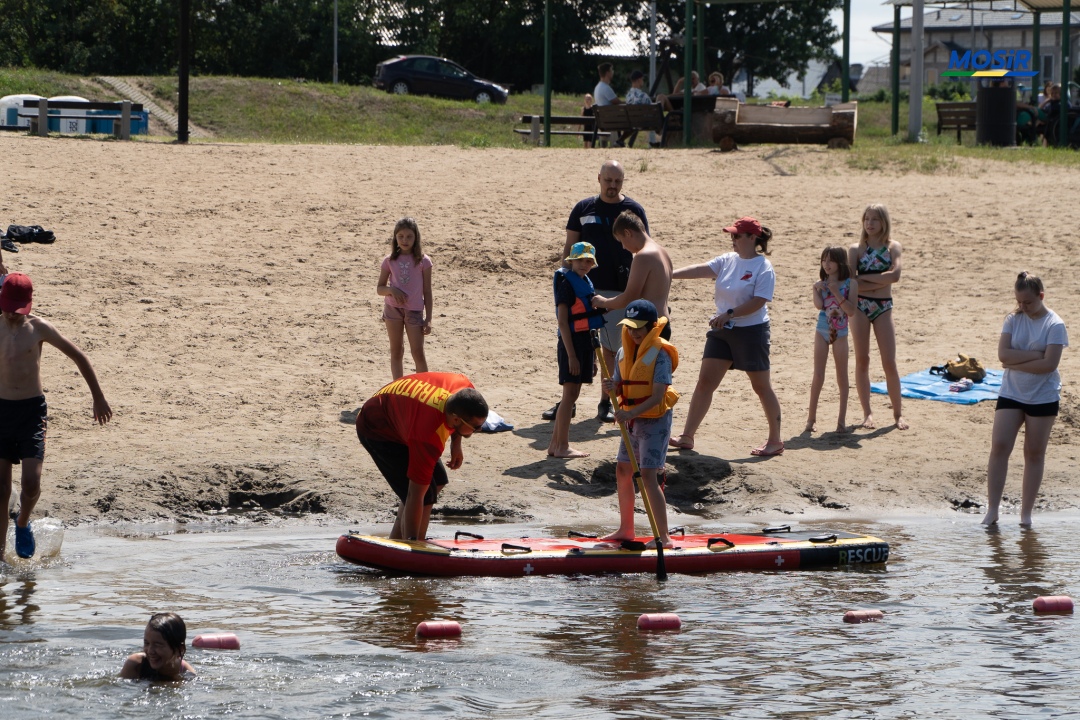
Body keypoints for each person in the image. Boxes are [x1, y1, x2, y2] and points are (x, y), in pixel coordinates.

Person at [0, 273, 112, 561]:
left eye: (18, 309)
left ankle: (23, 521)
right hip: (1, 410)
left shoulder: (39, 328)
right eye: (8, 307)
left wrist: (97, 397)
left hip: (31, 411)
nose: (12, 314)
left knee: (31, 484)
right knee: (0, 489)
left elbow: (79, 357)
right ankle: (0, 554)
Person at [543, 160, 649, 423]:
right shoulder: (583, 207)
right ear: (599, 178)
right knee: (577, 344)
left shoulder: (632, 209)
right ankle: (569, 400)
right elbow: (569, 246)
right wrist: (565, 281)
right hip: (583, 288)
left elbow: (644, 247)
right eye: (608, 180)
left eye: (617, 182)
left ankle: (607, 402)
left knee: (611, 350)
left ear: (622, 182)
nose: (612, 186)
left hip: (618, 290)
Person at [669, 217, 782, 456]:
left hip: (752, 332)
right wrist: (669, 274)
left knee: (761, 387)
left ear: (753, 238)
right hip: (722, 330)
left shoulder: (763, 266)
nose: (733, 239)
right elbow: (701, 270)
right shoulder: (727, 260)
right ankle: (687, 436)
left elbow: (759, 301)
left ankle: (775, 440)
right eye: (732, 235)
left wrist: (730, 314)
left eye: (737, 235)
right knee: (705, 383)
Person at [355, 372, 488, 540]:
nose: (479, 430)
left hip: (403, 414)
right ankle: (411, 542)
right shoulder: (429, 436)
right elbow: (415, 495)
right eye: (475, 427)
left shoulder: (464, 387)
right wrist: (415, 551)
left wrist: (456, 444)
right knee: (422, 495)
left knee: (437, 482)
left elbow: (459, 410)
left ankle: (396, 539)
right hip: (377, 427)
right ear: (455, 420)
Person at [982, 272, 1068, 527]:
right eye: (1019, 302)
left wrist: (1017, 360)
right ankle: (992, 510)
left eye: (1027, 302)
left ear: (1041, 296)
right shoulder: (1012, 319)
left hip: (1043, 396)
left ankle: (1025, 515)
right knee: (999, 447)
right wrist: (1034, 356)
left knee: (1034, 453)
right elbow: (1002, 356)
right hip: (1011, 392)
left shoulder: (1055, 325)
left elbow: (1049, 365)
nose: (1022, 307)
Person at [600, 299, 678, 548]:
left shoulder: (661, 354)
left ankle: (663, 537)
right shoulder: (624, 351)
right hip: (630, 419)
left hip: (654, 420)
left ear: (652, 327)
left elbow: (657, 396)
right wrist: (611, 388)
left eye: (639, 328)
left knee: (647, 476)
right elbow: (619, 382)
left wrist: (628, 414)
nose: (633, 333)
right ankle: (626, 529)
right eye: (630, 328)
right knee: (622, 470)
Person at [848, 204, 907, 430]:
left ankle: (898, 414)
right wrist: (878, 280)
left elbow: (895, 276)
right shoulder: (856, 249)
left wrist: (866, 279)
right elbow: (851, 281)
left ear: (884, 222)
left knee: (889, 361)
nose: (870, 223)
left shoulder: (893, 247)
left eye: (875, 219)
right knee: (863, 360)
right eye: (867, 219)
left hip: (884, 306)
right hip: (860, 306)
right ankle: (867, 413)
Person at [547, 242, 602, 459]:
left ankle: (554, 445)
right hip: (571, 344)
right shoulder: (567, 284)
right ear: (571, 261)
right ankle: (562, 446)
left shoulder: (585, 282)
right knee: (569, 396)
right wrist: (571, 355)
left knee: (572, 395)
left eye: (589, 261)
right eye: (581, 260)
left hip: (584, 343)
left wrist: (594, 359)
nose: (585, 264)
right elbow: (562, 323)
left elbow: (589, 322)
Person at [590, 210, 672, 340]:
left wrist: (604, 302)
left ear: (628, 233)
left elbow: (630, 297)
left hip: (648, 326)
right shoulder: (662, 252)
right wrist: (612, 304)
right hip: (664, 323)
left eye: (621, 241)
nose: (623, 247)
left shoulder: (643, 256)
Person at [805, 247, 858, 434]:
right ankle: (811, 419)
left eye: (831, 260)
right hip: (822, 331)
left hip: (841, 333)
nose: (826, 264)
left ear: (840, 262)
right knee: (818, 375)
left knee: (842, 376)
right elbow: (819, 306)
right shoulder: (822, 283)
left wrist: (836, 292)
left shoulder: (851, 284)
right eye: (824, 260)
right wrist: (815, 288)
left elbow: (851, 311)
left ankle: (841, 421)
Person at [377, 217, 433, 380]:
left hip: (414, 311)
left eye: (409, 236)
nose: (404, 240)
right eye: (400, 236)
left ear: (416, 238)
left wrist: (428, 318)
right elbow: (380, 289)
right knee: (396, 350)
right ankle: (397, 388)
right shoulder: (389, 260)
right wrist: (391, 290)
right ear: (395, 238)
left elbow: (427, 291)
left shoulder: (424, 261)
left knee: (418, 352)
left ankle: (424, 390)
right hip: (392, 310)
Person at [120, 612, 196, 681]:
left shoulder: (187, 674)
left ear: (179, 649)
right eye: (146, 643)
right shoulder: (136, 665)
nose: (150, 651)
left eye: (158, 645)